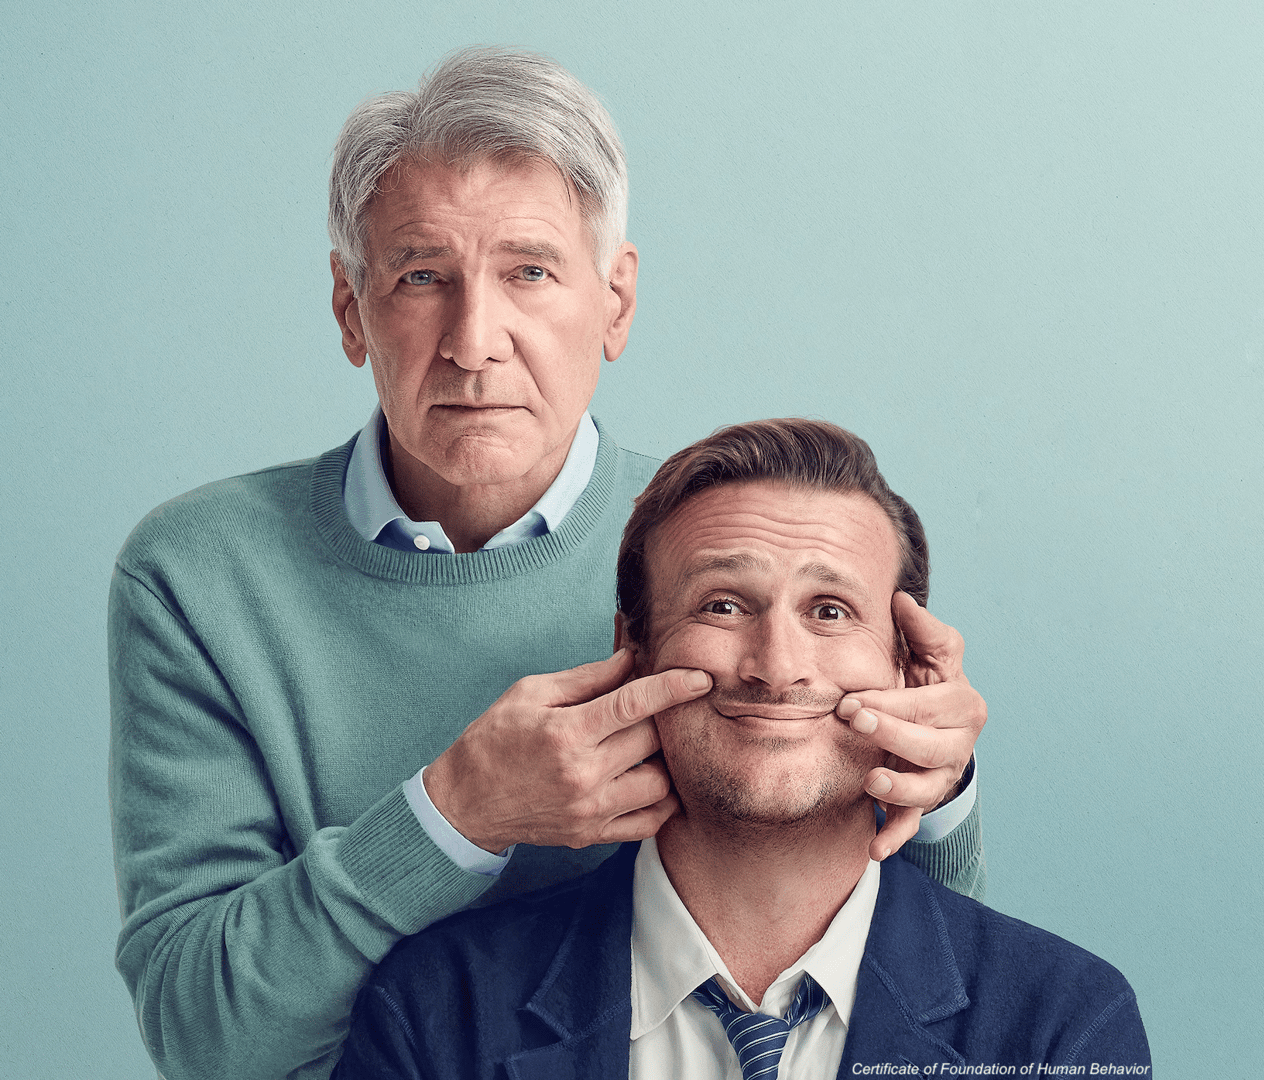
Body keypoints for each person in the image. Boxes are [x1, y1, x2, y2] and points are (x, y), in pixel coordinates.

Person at [109, 49, 987, 1080]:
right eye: (422, 276)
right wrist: (455, 816)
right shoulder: (199, 577)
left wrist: (941, 791)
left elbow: (945, 998)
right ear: (351, 308)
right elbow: (206, 1041)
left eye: (529, 272)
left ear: (615, 302)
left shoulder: (738, 564)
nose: (475, 342)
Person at [331, 419, 1148, 1078]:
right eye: (722, 606)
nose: (777, 669)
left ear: (910, 668)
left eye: (830, 611)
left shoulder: (1063, 1025)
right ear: (634, 651)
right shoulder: (436, 1014)